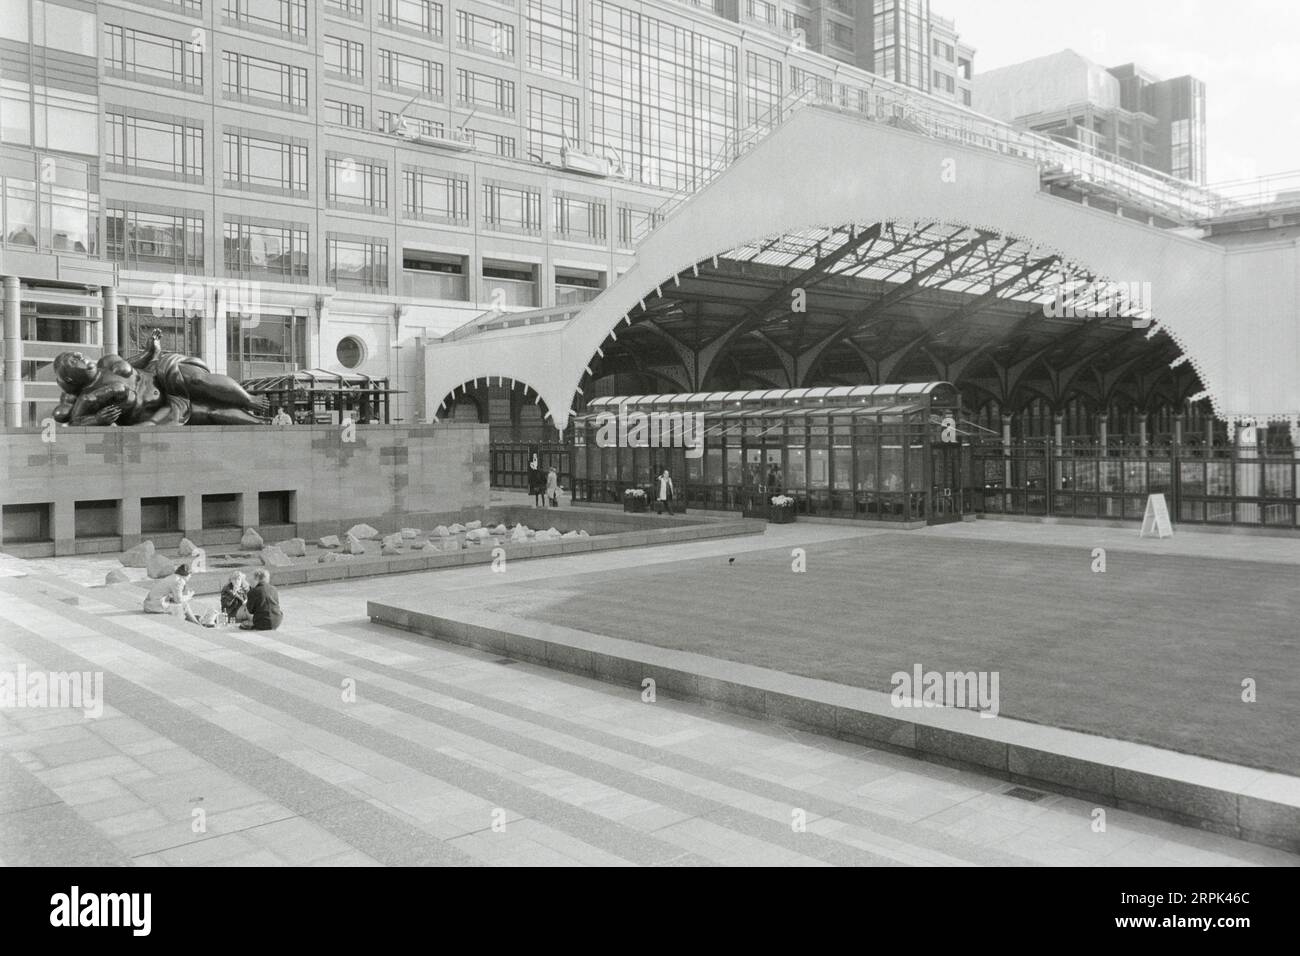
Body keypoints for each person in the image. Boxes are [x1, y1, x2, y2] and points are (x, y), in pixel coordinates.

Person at [51, 327, 267, 427]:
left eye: (77, 355)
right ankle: (261, 424)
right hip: (159, 413)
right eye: (73, 361)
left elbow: (138, 362)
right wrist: (99, 419)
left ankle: (248, 400)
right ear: (69, 378)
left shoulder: (106, 362)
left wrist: (150, 350)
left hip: (162, 377)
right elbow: (77, 422)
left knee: (198, 381)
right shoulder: (87, 397)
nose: (80, 357)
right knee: (209, 413)